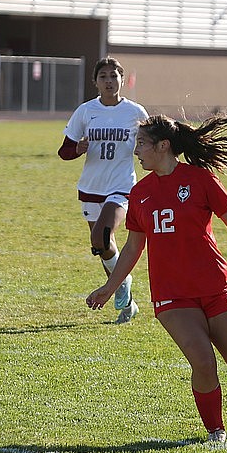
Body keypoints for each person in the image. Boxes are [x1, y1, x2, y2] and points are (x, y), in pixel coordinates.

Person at [86, 112, 227, 446]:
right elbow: (134, 246)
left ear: (163, 146)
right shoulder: (141, 192)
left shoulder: (200, 179)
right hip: (172, 296)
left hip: (216, 287)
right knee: (203, 362)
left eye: (142, 144)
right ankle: (216, 431)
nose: (137, 151)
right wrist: (110, 286)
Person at [59, 56, 145, 323]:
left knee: (104, 232)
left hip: (121, 186)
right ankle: (126, 296)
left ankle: (118, 287)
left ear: (122, 79)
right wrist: (77, 149)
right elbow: (64, 151)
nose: (109, 81)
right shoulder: (85, 111)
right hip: (91, 188)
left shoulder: (135, 113)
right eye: (103, 76)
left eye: (114, 76)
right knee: (101, 244)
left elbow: (153, 143)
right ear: (95, 82)